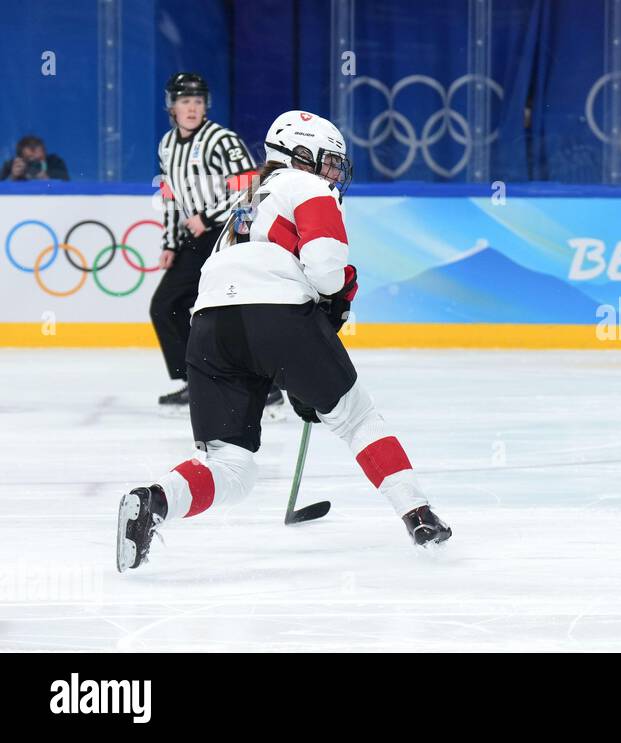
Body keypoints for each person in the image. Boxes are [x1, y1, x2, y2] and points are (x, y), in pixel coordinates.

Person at [116, 110, 453, 572]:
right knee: (356, 418)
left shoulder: (246, 202)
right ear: (298, 155)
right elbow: (326, 269)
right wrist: (326, 315)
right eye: (329, 161)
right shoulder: (308, 186)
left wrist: (296, 362)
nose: (334, 173)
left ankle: (153, 502)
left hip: (211, 328)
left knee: (229, 467)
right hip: (276, 316)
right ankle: (418, 513)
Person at [151, 72, 285, 414]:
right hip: (193, 238)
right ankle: (194, 380)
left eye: (197, 101)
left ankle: (265, 387)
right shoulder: (167, 145)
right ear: (172, 107)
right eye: (185, 101)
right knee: (167, 306)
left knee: (230, 310)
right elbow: (170, 196)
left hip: (225, 234)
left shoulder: (221, 140)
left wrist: (208, 217)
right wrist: (169, 242)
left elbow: (251, 187)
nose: (192, 108)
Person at [1, 135, 69, 181]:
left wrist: (49, 180)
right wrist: (13, 177)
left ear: (44, 152)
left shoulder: (55, 163)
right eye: (29, 160)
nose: (35, 164)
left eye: (39, 160)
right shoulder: (10, 166)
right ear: (20, 160)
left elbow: (68, 184)